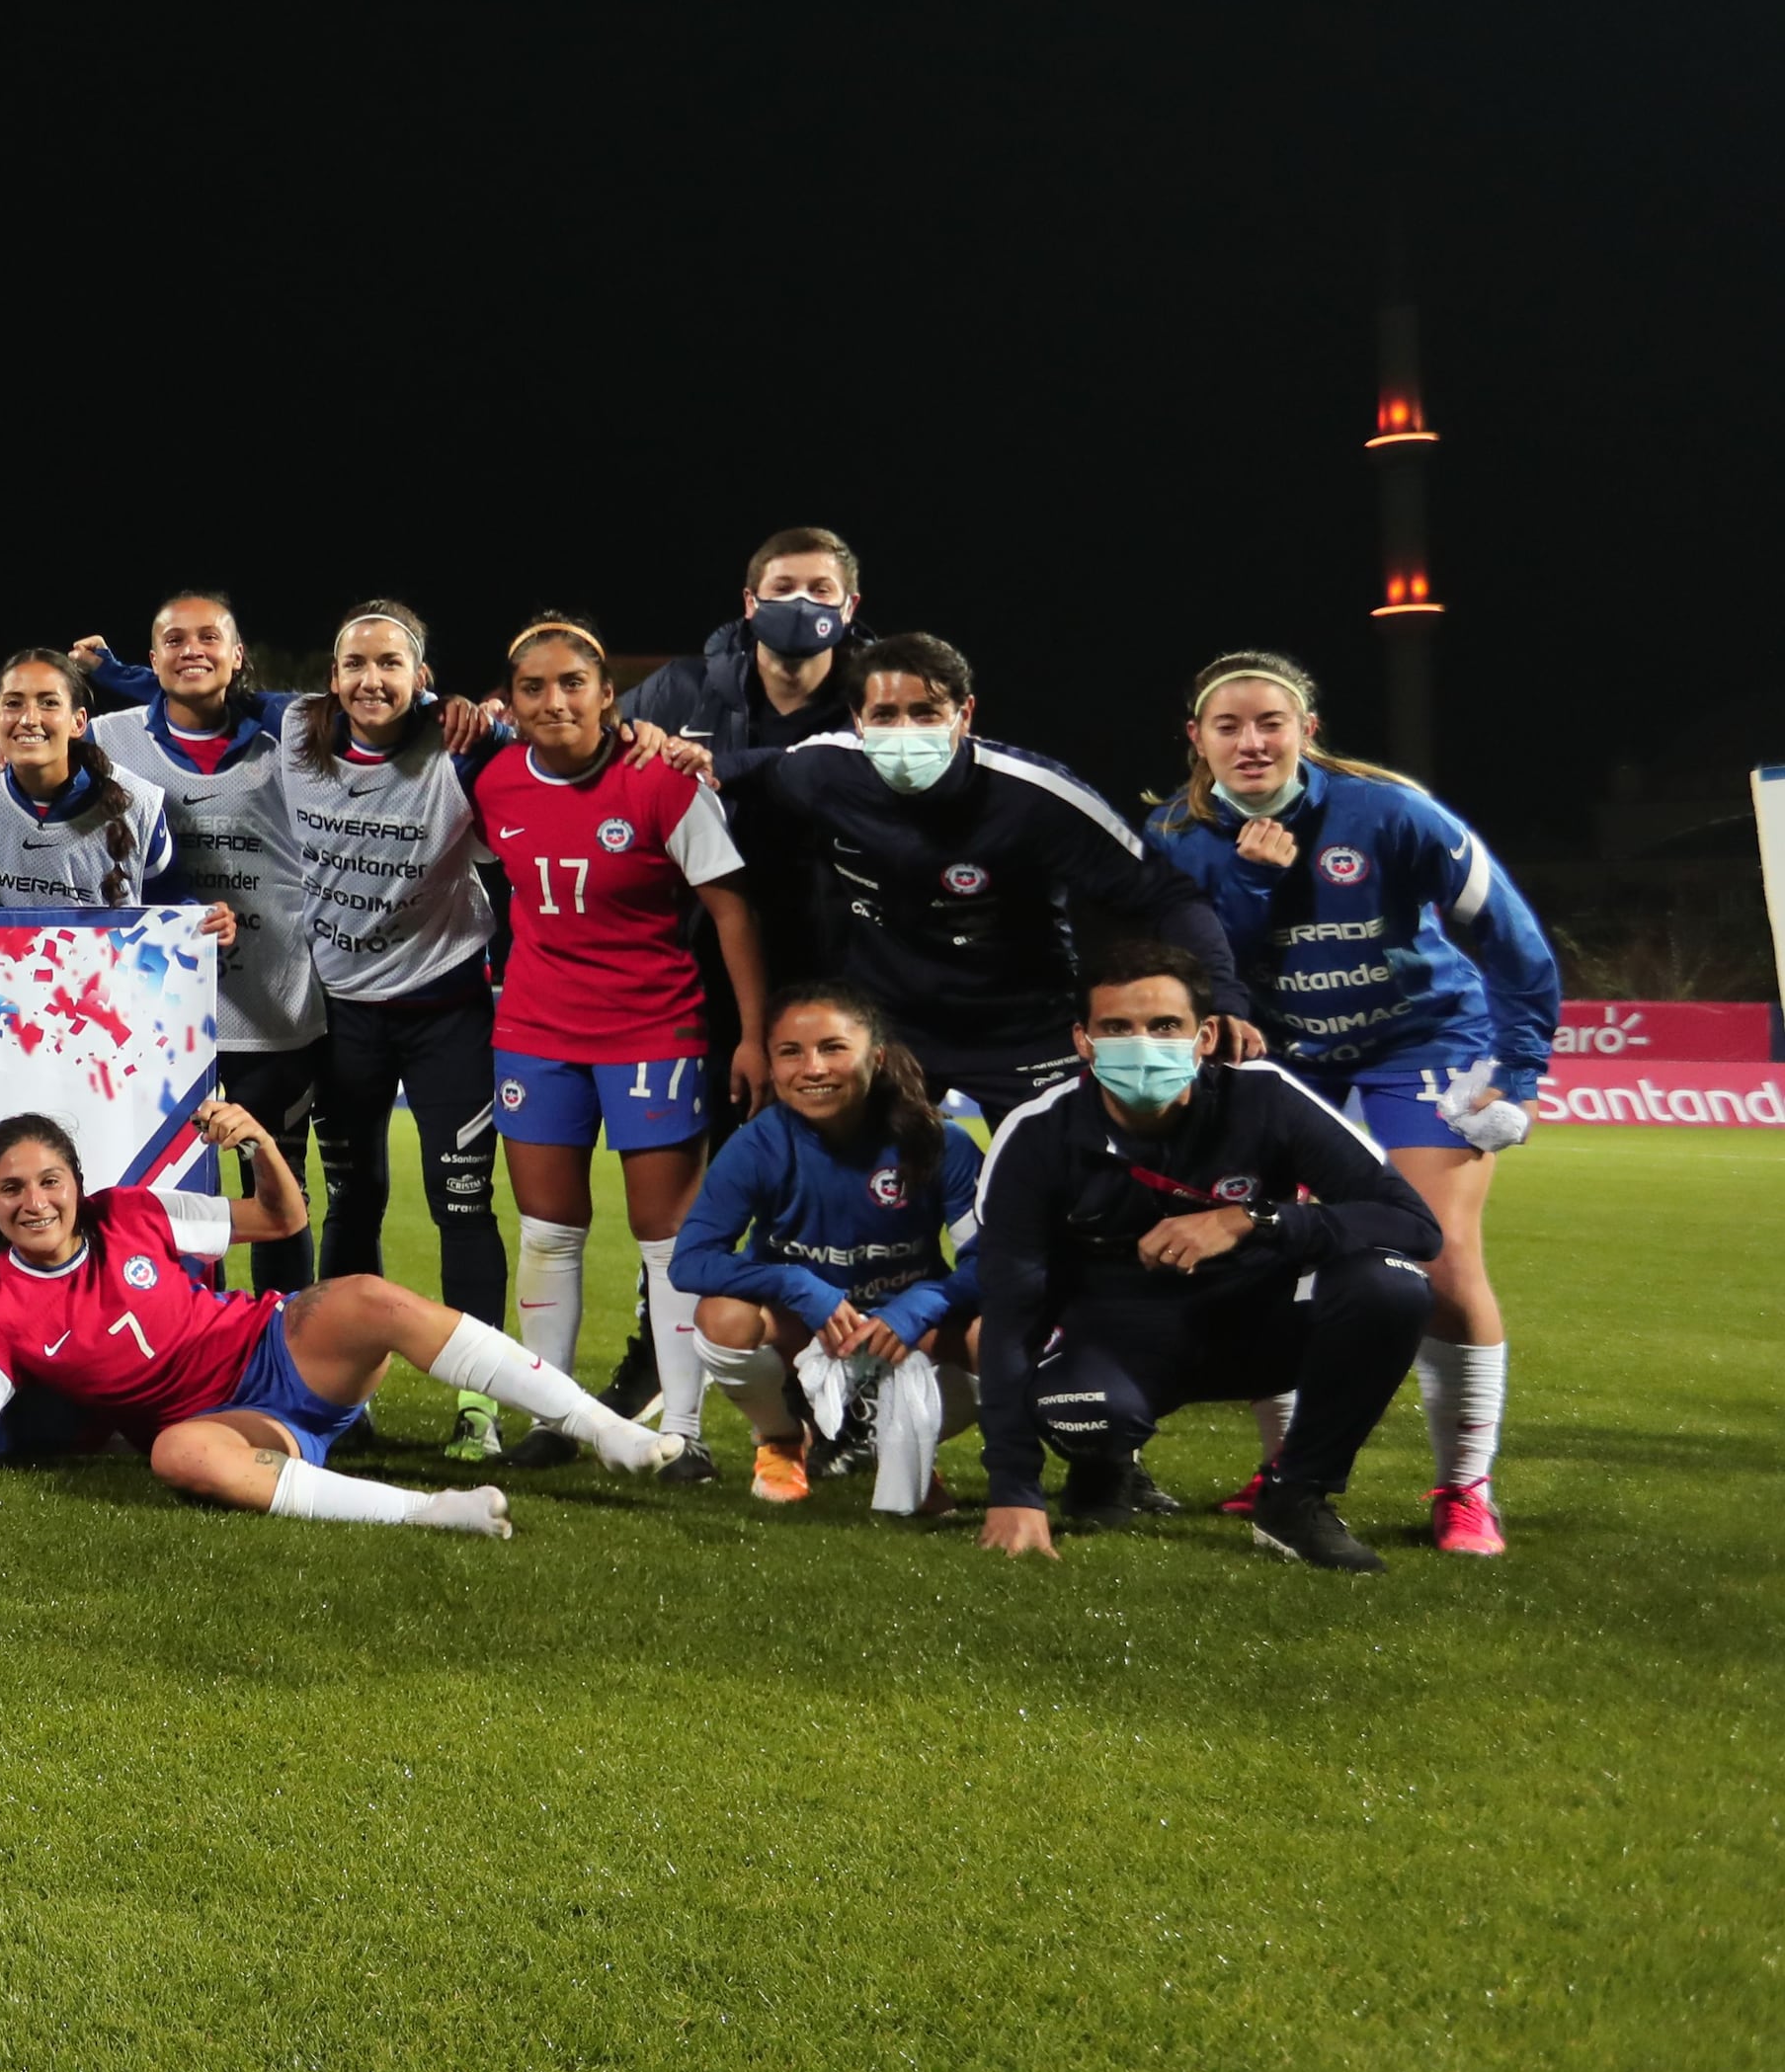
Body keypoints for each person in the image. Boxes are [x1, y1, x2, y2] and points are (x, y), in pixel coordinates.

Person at [1146, 651, 1560, 1554]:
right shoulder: (1173, 834)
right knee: (1262, 1252)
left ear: (1306, 731)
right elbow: (1210, 968)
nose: (1251, 742)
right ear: (1196, 738)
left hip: (1423, 1040)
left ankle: (1465, 1489)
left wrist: (1517, 1073)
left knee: (1441, 1262)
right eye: (1229, 725)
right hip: (1285, 1053)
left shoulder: (1392, 813)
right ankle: (1286, 1470)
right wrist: (1254, 882)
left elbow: (1512, 940)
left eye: (1270, 723)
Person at [0, 1106, 687, 1531]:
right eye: (13, 1189)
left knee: (367, 1293)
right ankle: (434, 1510)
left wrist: (261, 1142)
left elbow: (281, 1220)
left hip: (287, 1349)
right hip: (237, 1424)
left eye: (49, 1180)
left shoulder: (131, 1210)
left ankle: (602, 1428)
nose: (36, 1202)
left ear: (76, 1182)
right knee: (177, 1453)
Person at [969, 941, 1443, 1572]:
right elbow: (1009, 1315)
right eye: (1118, 1027)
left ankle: (1297, 1497)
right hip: (1119, 1341)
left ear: (1206, 1035)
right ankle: (1103, 1464)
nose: (1143, 1044)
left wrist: (1252, 1219)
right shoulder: (1035, 1134)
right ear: (1082, 1041)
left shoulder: (1266, 1098)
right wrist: (1013, 1489)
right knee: (1089, 1411)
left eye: (1165, 1026)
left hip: (1258, 1324)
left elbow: (1413, 1225)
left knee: (1393, 1285)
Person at [470, 616, 772, 1475]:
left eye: (573, 683)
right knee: (548, 1230)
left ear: (610, 696)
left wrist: (750, 1035)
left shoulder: (662, 782)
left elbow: (733, 911)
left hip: (652, 1029)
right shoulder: (494, 783)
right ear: (513, 702)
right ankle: (554, 1416)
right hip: (535, 1031)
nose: (554, 699)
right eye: (534, 686)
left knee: (666, 1237)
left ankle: (685, 1431)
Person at [728, 630, 1236, 1117]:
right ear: (858, 722)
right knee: (862, 1192)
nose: (905, 731)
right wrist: (698, 761)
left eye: (926, 712)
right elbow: (758, 768)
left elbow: (1168, 897)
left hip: (1024, 1030)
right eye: (885, 714)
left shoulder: (1039, 797)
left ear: (964, 714)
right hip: (893, 1030)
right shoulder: (823, 772)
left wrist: (1225, 1000)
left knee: (1073, 1191)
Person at [275, 604, 512, 1459]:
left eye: (389, 663)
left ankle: (479, 1408)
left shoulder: (465, 748)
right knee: (355, 1199)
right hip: (344, 1021)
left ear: (421, 674)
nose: (370, 679)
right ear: (331, 675)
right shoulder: (295, 729)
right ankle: (342, 1395)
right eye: (353, 663)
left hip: (447, 1014)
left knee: (463, 1205)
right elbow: (212, 700)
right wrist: (114, 672)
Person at [76, 592, 324, 1300]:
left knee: (280, 1188)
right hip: (151, 1015)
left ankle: (289, 1361)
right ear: (150, 659)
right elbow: (13, 774)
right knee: (150, 1189)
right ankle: (176, 1345)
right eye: (175, 639)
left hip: (271, 1004)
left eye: (210, 637)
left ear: (238, 655)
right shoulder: (107, 737)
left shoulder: (292, 741)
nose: (193, 649)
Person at [671, 984, 977, 1510]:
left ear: (875, 1058)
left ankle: (902, 1446)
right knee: (722, 1319)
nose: (812, 1068)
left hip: (905, 1332)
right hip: (804, 1330)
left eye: (833, 1048)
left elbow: (996, 1261)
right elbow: (691, 1261)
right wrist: (794, 1283)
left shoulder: (942, 1142)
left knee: (999, 1335)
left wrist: (922, 1305)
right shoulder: (756, 1145)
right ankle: (782, 1439)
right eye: (790, 1052)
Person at [618, 526, 870, 794]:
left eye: (820, 590)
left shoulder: (881, 704)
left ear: (849, 608)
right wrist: (630, 731)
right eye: (783, 588)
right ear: (750, 603)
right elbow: (593, 735)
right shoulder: (680, 686)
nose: (800, 602)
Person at [0, 649, 173, 907]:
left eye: (49, 703)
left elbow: (171, 902)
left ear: (78, 723)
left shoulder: (139, 804)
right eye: (13, 703)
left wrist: (209, 921)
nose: (29, 719)